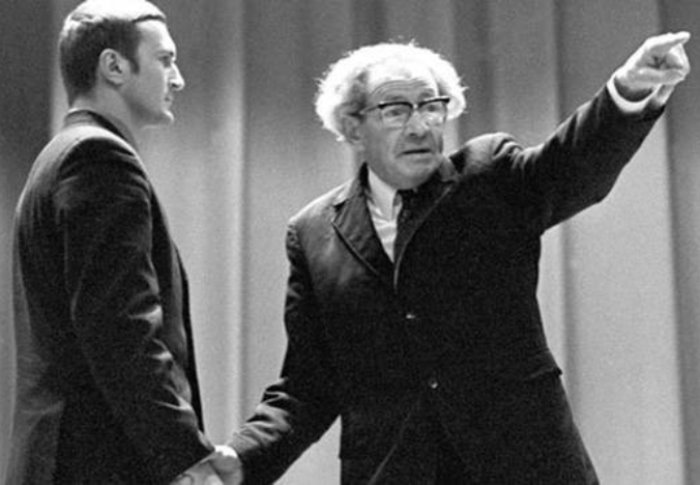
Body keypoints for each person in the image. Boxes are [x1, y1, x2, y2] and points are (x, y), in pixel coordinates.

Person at [226, 31, 691, 484]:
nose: (420, 126)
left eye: (432, 107)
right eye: (395, 110)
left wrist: (628, 91)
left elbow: (571, 166)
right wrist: (240, 459)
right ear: (352, 126)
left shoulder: (489, 176)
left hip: (523, 465)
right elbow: (308, 385)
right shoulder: (312, 231)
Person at [5, 1, 240, 483]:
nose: (178, 80)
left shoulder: (62, 155)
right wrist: (187, 457)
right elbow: (122, 331)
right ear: (113, 66)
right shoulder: (99, 158)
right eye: (165, 60)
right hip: (95, 464)